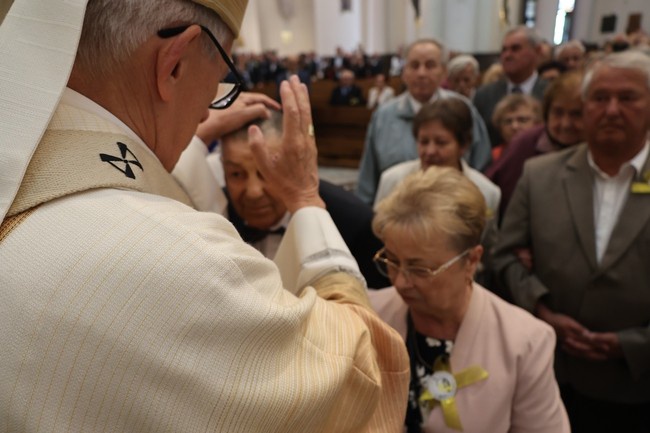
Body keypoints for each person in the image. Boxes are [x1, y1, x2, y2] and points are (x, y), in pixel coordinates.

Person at [0, 1, 410, 432]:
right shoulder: (188, 261)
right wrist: (306, 199)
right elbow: (368, 377)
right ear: (174, 64)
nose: (206, 112)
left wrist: (182, 131)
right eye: (218, 81)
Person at [493, 50, 650, 433]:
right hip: (551, 377)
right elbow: (505, 257)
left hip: (640, 388)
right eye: (599, 98)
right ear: (584, 106)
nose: (612, 110)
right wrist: (542, 311)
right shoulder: (540, 176)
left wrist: (632, 344)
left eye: (628, 98)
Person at [369, 167, 569, 433]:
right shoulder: (369, 315)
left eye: (420, 269)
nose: (400, 281)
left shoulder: (525, 342)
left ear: (472, 260)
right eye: (392, 261)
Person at [202, 109, 389, 288]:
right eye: (236, 174)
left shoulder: (354, 223)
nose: (253, 192)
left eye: (266, 171)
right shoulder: (210, 215)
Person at [373, 98, 501, 292]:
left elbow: (488, 252)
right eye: (424, 142)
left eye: (441, 142)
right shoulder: (392, 180)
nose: (430, 151)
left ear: (463, 145)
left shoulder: (486, 192)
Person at [356, 38, 492, 205]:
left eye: (430, 65)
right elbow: (368, 176)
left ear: (443, 72)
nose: (421, 73)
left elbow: (481, 164)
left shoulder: (464, 109)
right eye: (414, 65)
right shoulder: (384, 116)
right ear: (404, 72)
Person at [487, 71, 584, 218]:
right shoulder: (524, 144)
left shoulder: (600, 149)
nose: (565, 124)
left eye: (576, 114)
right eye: (558, 113)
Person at [473, 26, 549, 147]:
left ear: (537, 51)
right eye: (504, 50)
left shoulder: (549, 93)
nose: (507, 55)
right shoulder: (484, 94)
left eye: (515, 49)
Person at [489, 93, 542, 162]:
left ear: (537, 123)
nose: (514, 126)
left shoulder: (546, 154)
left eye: (522, 120)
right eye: (508, 121)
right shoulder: (492, 157)